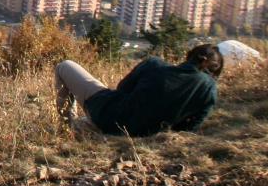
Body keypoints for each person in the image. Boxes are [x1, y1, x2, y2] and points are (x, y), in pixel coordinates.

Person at [53, 44, 223, 137]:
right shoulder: (209, 91)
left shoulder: (154, 65)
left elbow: (122, 88)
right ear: (214, 73)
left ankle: (66, 127)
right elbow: (189, 129)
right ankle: (79, 125)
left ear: (189, 56)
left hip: (108, 116)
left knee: (64, 66)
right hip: (148, 136)